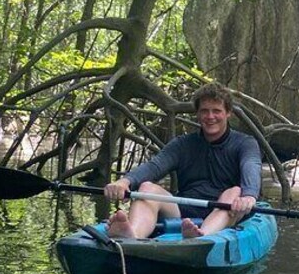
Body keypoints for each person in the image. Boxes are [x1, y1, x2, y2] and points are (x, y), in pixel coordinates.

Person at [103, 82, 261, 238]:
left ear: (228, 113)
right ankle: (133, 234)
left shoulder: (246, 143)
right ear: (197, 114)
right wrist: (124, 182)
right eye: (204, 111)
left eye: (216, 111)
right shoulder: (182, 144)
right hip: (184, 211)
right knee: (146, 187)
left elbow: (251, 166)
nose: (210, 116)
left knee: (234, 191)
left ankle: (202, 236)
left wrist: (249, 196)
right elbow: (155, 166)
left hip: (227, 210)